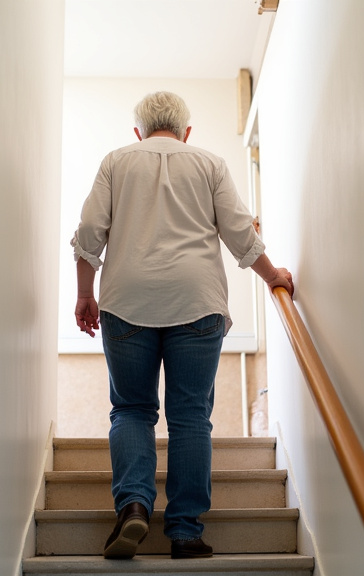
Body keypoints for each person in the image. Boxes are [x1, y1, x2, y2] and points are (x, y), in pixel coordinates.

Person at [71, 91, 293, 560]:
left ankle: (133, 505)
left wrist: (85, 294)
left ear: (139, 131)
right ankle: (186, 531)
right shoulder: (208, 163)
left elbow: (90, 233)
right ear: (186, 132)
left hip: (126, 302)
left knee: (131, 409)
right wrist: (274, 277)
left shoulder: (116, 161)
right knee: (191, 417)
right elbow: (240, 233)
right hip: (197, 302)